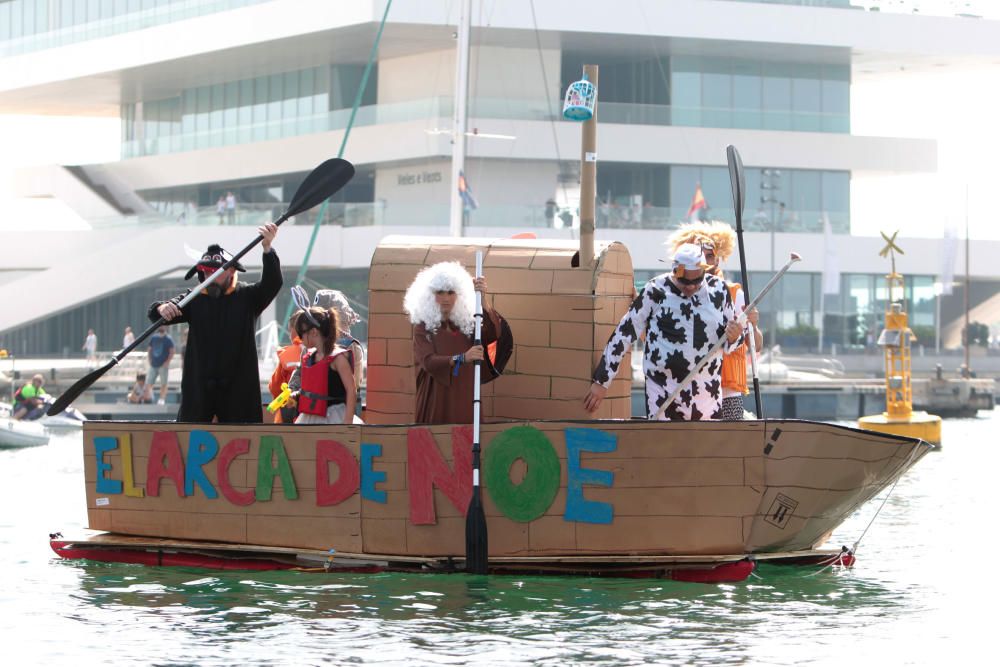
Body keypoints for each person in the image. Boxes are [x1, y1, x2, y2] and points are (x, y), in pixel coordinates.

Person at [583, 243, 743, 421]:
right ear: (675, 272)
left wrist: (735, 336)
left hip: (706, 395)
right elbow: (625, 332)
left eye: (696, 281)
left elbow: (734, 338)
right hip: (663, 393)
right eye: (685, 282)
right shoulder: (655, 290)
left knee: (705, 448)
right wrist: (602, 381)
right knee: (663, 446)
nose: (690, 287)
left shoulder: (719, 290)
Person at [149, 223, 282, 423]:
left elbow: (272, 283)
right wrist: (161, 308)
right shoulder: (195, 298)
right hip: (200, 388)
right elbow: (159, 313)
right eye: (205, 272)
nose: (209, 276)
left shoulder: (247, 296)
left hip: (238, 388)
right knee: (189, 438)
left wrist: (267, 249)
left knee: (245, 439)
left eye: (215, 272)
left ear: (231, 272)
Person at [668, 221, 763, 420]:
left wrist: (753, 324)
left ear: (718, 260)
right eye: (699, 255)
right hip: (691, 385)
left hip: (727, 388)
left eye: (709, 256)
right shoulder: (674, 293)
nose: (704, 260)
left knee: (731, 444)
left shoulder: (734, 292)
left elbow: (756, 345)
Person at [403, 261, 506, 424]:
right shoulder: (423, 327)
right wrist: (462, 358)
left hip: (465, 395)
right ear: (429, 296)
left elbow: (493, 333)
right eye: (440, 292)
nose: (445, 298)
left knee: (467, 444)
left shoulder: (466, 323)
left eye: (451, 292)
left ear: (459, 295)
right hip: (437, 399)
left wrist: (480, 297)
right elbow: (429, 362)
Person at [287, 306, 356, 425]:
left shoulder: (338, 358)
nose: (300, 339)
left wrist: (348, 421)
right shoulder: (309, 357)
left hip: (335, 417)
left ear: (313, 332)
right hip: (309, 416)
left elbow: (351, 390)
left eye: (301, 334)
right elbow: (312, 388)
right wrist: (295, 396)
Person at [313, 289, 365, 412]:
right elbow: (356, 383)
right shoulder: (352, 346)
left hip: (313, 411)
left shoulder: (311, 344)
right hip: (343, 412)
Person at [268, 310, 303, 424]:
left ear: (295, 330)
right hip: (312, 413)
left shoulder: (286, 356)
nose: (289, 335)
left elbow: (275, 387)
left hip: (288, 413)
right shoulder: (320, 352)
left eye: (290, 330)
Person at [147, 326, 176, 405]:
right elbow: (150, 349)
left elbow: (172, 351)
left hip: (163, 365)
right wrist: (149, 359)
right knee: (149, 382)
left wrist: (167, 362)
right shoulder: (154, 337)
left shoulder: (168, 339)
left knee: (163, 383)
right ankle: (150, 397)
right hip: (153, 364)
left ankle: (162, 399)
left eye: (163, 326)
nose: (161, 327)